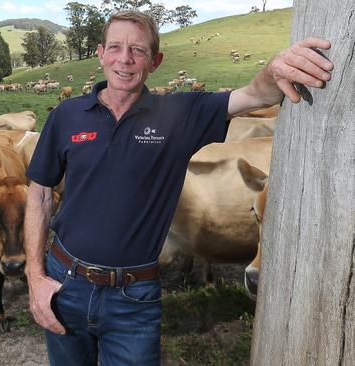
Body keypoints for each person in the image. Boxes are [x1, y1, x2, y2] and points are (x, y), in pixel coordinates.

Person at [23, 10, 333, 366]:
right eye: (116, 47)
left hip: (133, 299)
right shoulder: (67, 114)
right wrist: (36, 276)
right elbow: (40, 193)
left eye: (138, 51)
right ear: (100, 53)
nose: (125, 59)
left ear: (155, 61)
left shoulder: (179, 114)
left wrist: (275, 68)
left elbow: (253, 96)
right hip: (66, 284)